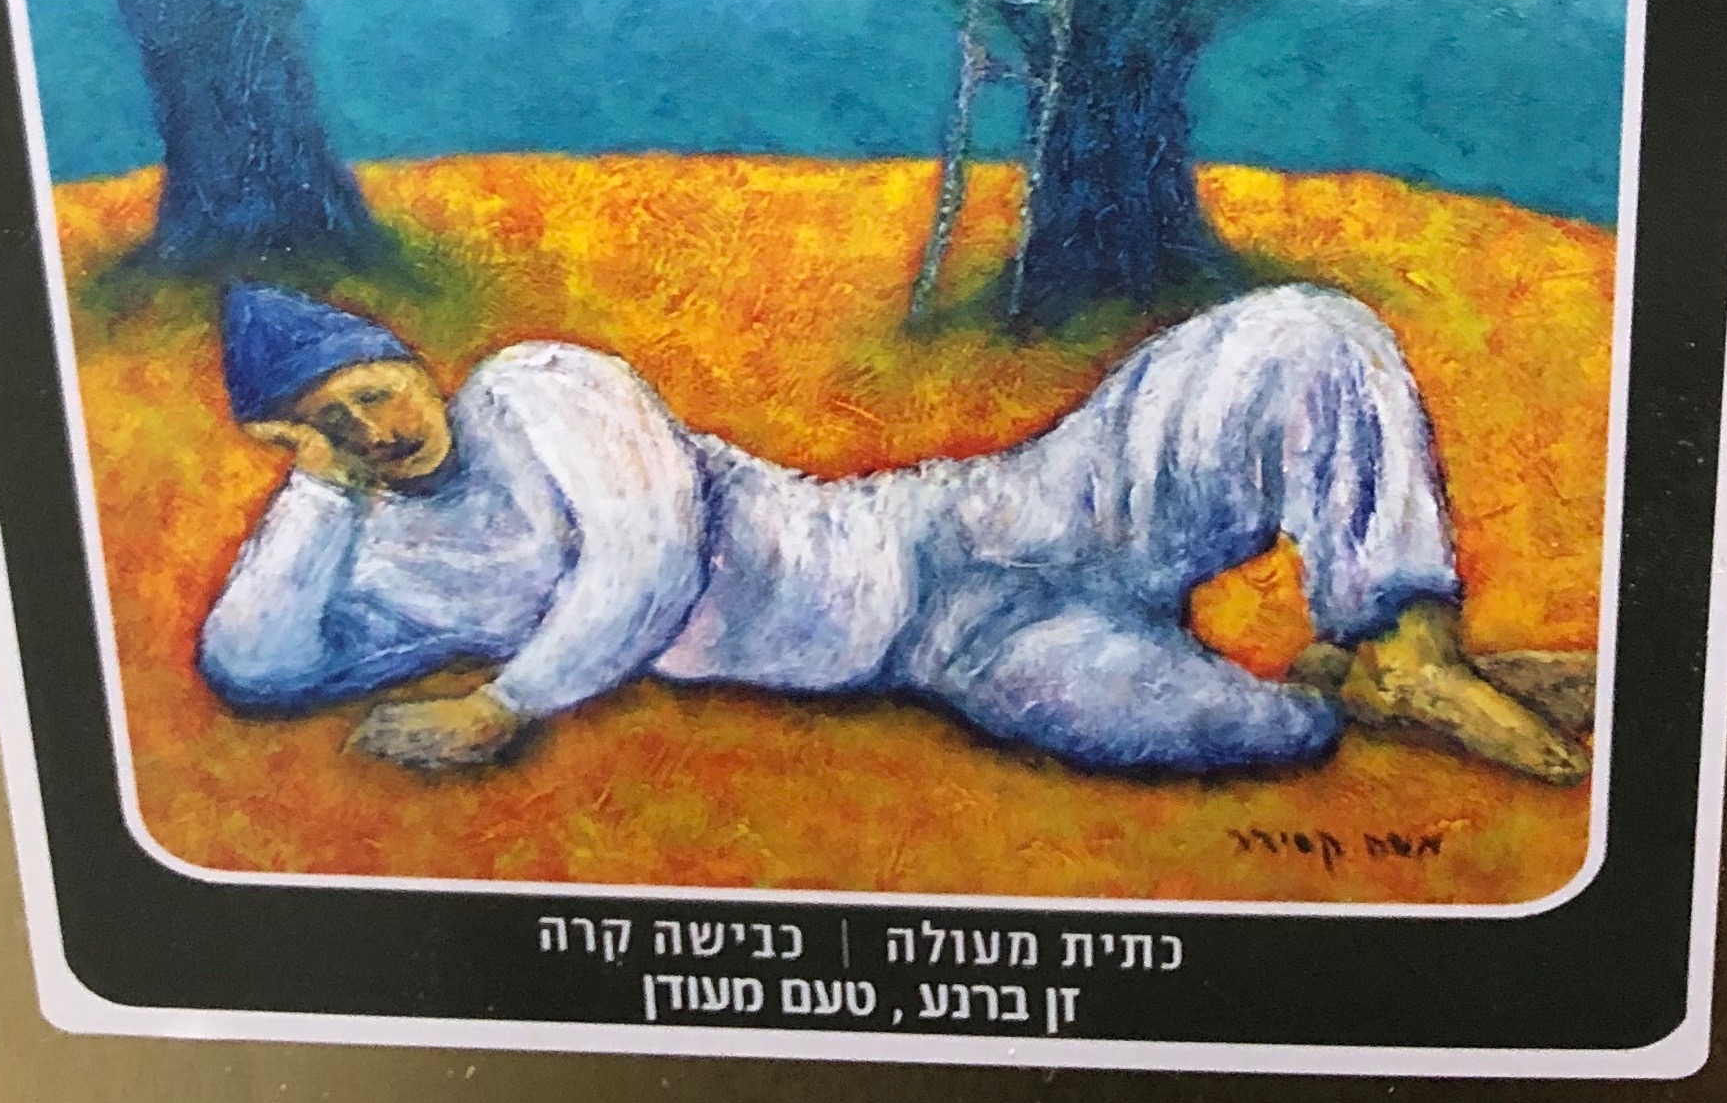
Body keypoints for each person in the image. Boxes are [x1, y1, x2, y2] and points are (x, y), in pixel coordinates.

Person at [199, 278, 1592, 786]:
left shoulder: (536, 388)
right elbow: (252, 666)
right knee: (1260, 738)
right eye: (331, 424)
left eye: (374, 387)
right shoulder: (375, 553)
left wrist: (506, 705)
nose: (377, 427)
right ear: (296, 445)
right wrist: (315, 497)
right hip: (952, 656)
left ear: (412, 360)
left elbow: (650, 560)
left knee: (1306, 333)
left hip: (963, 526)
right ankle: (1351, 690)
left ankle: (1405, 636)